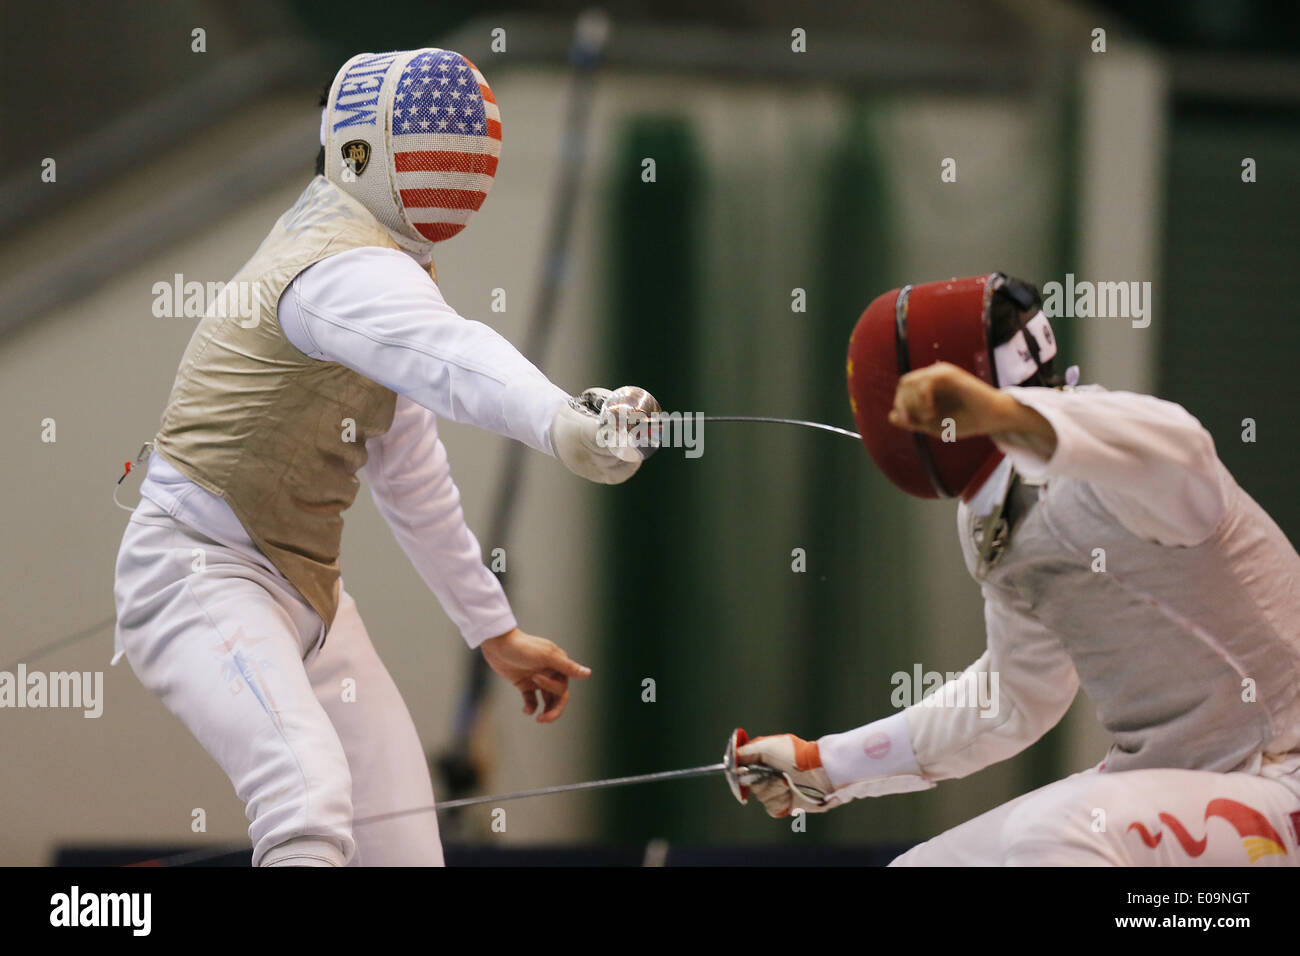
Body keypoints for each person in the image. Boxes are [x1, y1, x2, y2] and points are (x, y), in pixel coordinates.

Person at [114, 48, 645, 867]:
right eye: (440, 138)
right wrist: (565, 423)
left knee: (400, 840)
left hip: (306, 595)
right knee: (305, 796)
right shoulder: (336, 268)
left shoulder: (383, 265)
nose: (465, 161)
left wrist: (492, 631)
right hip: (196, 576)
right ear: (366, 146)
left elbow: (411, 473)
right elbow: (455, 357)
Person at [735, 273, 1300, 866]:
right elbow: (1010, 700)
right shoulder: (997, 512)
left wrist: (1004, 413)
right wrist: (825, 766)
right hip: (1175, 784)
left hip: (1280, 774)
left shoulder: (1110, 459)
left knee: (1052, 837)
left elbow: (1184, 452)